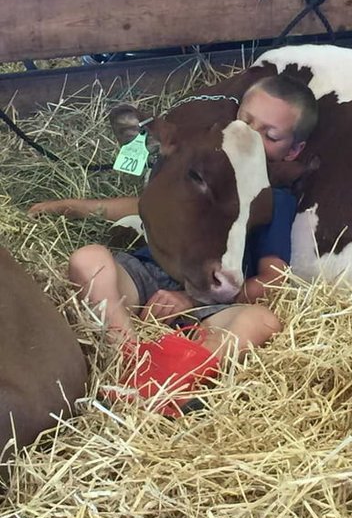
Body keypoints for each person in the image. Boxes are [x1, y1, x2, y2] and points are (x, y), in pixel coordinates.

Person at [29, 75, 318, 367]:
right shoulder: (203, 162)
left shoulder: (272, 197)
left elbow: (276, 281)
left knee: (263, 322)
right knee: (88, 259)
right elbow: (144, 205)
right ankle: (128, 356)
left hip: (210, 294)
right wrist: (73, 206)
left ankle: (178, 375)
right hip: (145, 276)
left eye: (270, 136)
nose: (251, 138)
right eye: (246, 122)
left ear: (293, 151)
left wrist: (191, 299)